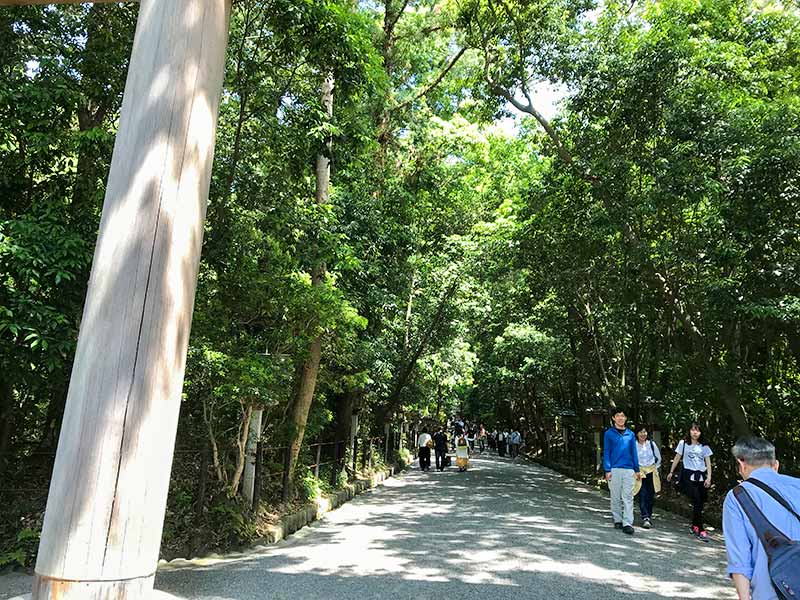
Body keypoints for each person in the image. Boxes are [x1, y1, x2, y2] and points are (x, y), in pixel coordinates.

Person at [723, 437, 800, 600]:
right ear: (776, 465)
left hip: (772, 593)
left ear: (742, 465)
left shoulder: (737, 497)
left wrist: (744, 597)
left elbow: (739, 559)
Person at [667, 423, 713, 541]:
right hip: (688, 475)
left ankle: (694, 525)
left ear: (701, 433)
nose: (695, 433)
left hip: (701, 476)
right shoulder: (683, 444)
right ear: (689, 431)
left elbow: (708, 462)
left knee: (699, 502)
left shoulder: (704, 446)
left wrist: (709, 477)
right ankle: (701, 529)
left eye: (697, 430)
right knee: (696, 499)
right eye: (693, 430)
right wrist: (671, 472)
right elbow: (677, 457)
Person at [603, 408, 641, 535]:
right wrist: (607, 469)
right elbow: (606, 452)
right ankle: (617, 519)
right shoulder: (609, 433)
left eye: (623, 416)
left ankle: (627, 523)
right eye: (618, 416)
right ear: (613, 418)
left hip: (629, 469)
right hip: (614, 468)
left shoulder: (630, 434)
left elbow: (634, 452)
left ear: (626, 418)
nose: (620, 418)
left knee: (628, 496)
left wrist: (637, 469)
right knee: (615, 496)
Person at [633, 424, 662, 529]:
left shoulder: (651, 444)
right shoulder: (634, 444)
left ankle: (648, 515)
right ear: (637, 433)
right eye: (640, 432)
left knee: (650, 494)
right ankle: (645, 517)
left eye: (644, 432)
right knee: (642, 494)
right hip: (639, 472)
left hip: (651, 472)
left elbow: (658, 458)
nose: (643, 434)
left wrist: (656, 468)